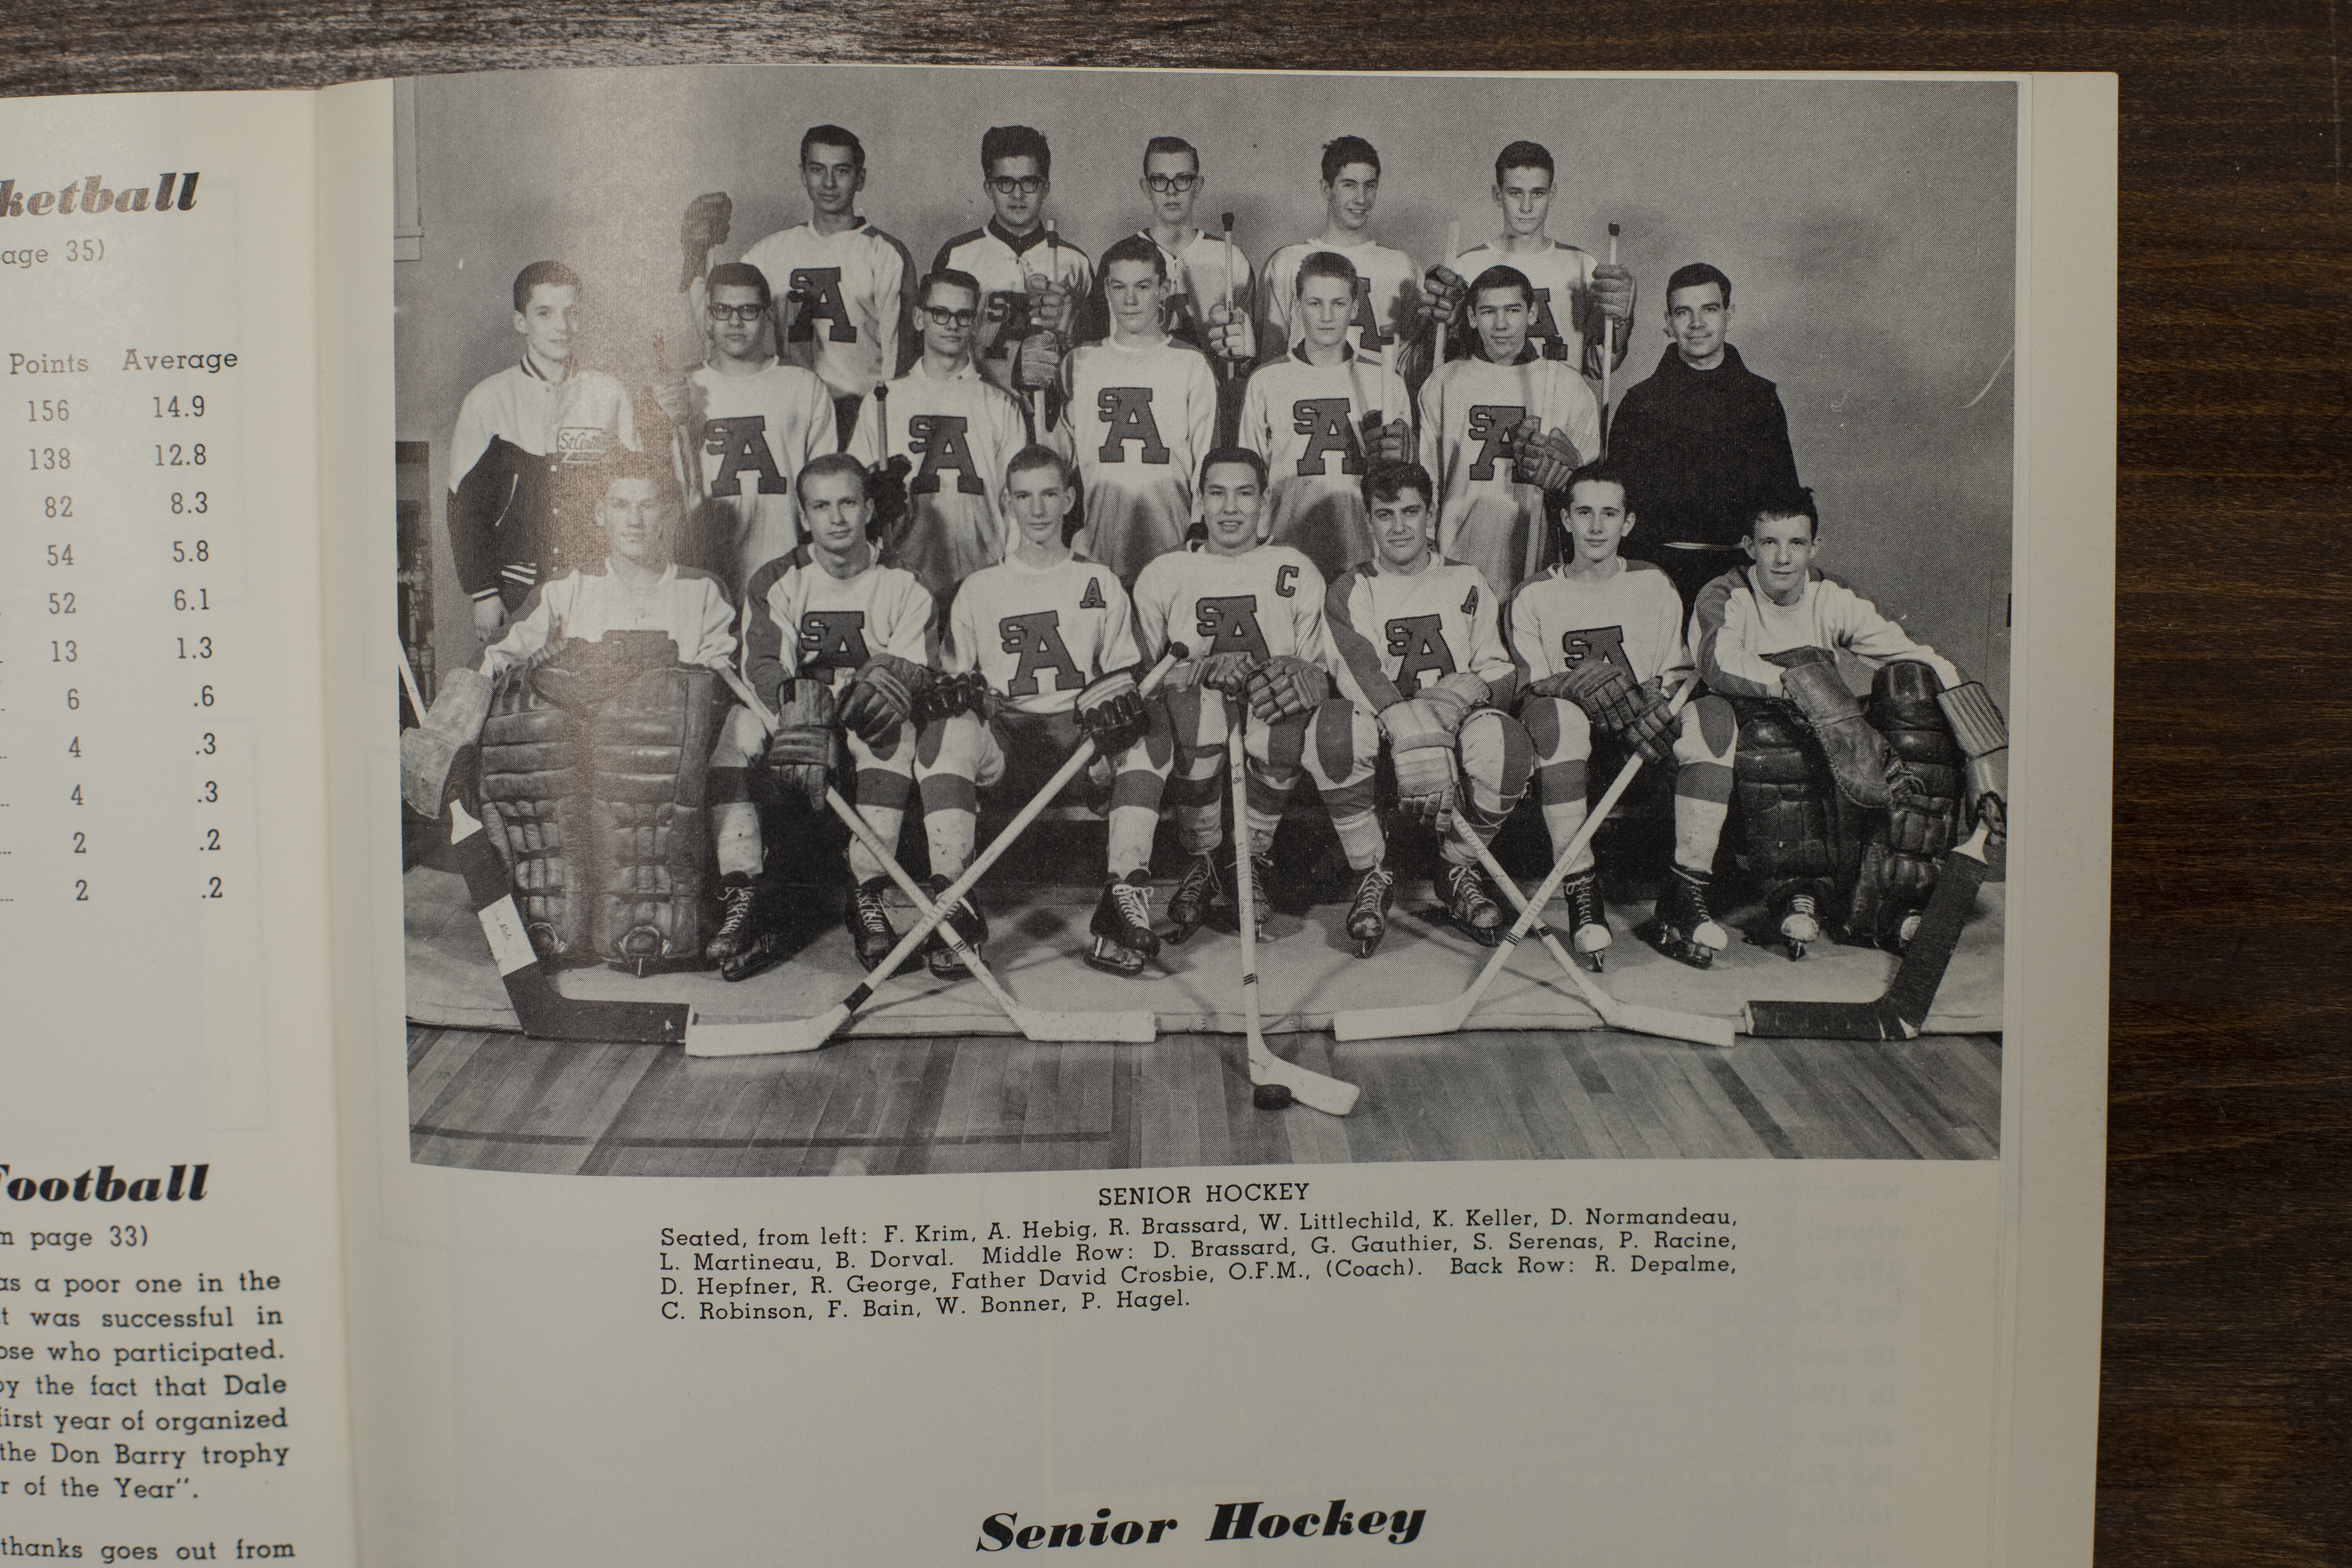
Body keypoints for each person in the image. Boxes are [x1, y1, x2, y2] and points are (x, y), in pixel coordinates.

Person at [433, 451, 736, 971]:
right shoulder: (569, 589)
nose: (635, 520)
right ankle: (557, 920)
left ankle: (651, 924)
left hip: (659, 762)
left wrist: (634, 670)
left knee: (661, 729)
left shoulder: (702, 591)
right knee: (524, 730)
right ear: (600, 513)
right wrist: (448, 726)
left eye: (648, 506)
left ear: (670, 514)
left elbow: (717, 684)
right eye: (621, 505)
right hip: (575, 770)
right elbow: (499, 656)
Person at [1692, 488, 2009, 957]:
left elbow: (1925, 660)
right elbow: (1718, 663)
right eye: (1770, 544)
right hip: (1762, 748)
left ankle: (1899, 901)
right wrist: (1807, 689)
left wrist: (1986, 759)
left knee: (1913, 687)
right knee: (1775, 728)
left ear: (1814, 547)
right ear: (1749, 546)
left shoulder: (1831, 595)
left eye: (1797, 544)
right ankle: (1801, 893)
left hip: (1836, 742)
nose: (1783, 559)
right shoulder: (1727, 594)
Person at [912, 445, 1174, 978]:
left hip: (1082, 752)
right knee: (945, 730)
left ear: (1069, 500)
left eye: (1050, 495)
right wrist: (969, 699)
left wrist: (1119, 698)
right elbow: (955, 684)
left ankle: (1122, 900)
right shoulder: (978, 589)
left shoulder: (1099, 582)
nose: (1038, 510)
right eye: (1025, 497)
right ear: (1007, 502)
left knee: (1150, 728)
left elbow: (1125, 677)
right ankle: (954, 900)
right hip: (1006, 753)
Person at [715, 454, 946, 982]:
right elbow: (764, 666)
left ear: (868, 508)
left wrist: (892, 691)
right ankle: (741, 888)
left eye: (847, 503)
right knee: (737, 730)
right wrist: (798, 711)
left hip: (867, 716)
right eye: (821, 506)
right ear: (803, 514)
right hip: (802, 719)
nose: (836, 518)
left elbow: (916, 670)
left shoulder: (906, 584)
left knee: (894, 733)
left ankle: (867, 891)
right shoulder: (777, 579)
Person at [1502, 465, 1738, 969]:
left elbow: (1678, 672)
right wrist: (1572, 684)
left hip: (1644, 740)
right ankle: (1582, 889)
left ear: (1628, 523)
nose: (1596, 527)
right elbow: (1528, 686)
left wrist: (1660, 698)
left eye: (1610, 514)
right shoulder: (1533, 596)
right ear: (1565, 519)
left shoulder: (1653, 584)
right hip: (1571, 745)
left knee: (1715, 717)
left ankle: (1686, 890)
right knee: (1554, 717)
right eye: (1584, 512)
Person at [1317, 458, 1534, 952]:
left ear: (1430, 517)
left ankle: (1457, 868)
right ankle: (1372, 875)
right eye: (1385, 514)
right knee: (1334, 732)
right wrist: (1412, 726)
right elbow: (1359, 671)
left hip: (1456, 717)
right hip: (1389, 721)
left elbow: (1500, 666)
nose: (1399, 527)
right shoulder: (1353, 587)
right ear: (1369, 520)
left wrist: (1466, 694)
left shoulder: (1467, 580)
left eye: (1410, 513)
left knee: (1507, 745)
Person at [1130, 446, 1340, 945]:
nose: (1230, 508)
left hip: (1270, 725)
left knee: (1284, 702)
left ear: (1265, 502)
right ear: (1199, 502)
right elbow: (1141, 678)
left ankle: (1250, 857)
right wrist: (1199, 669)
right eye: (1218, 494)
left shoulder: (1294, 568)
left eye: (1245, 494)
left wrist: (1301, 676)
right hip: (1196, 720)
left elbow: (1316, 669)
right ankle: (1202, 857)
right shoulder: (1165, 573)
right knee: (1191, 704)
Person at [678, 125, 918, 450]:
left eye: (842, 171)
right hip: (787, 410)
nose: (829, 183)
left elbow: (901, 358)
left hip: (862, 414)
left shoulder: (885, 253)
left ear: (860, 179)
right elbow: (712, 321)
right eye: (818, 170)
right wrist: (695, 253)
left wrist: (883, 423)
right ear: (803, 175)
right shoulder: (770, 253)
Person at [447, 260, 639, 643]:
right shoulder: (488, 399)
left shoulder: (610, 394)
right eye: (545, 313)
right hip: (516, 591)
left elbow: (634, 492)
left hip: (596, 582)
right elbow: (464, 506)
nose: (562, 326)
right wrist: (483, 592)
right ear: (522, 322)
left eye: (572, 313)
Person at [1605, 261, 1804, 615]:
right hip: (1656, 576)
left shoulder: (1760, 399)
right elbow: (1618, 507)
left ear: (1729, 315)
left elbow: (1783, 502)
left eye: (1709, 310)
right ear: (1668, 323)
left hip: (1740, 578)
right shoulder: (1641, 403)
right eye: (1684, 313)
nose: (1696, 324)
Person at [845, 268, 1031, 610]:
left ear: (975, 324)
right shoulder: (885, 400)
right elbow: (852, 495)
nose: (952, 325)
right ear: (919, 318)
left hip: (984, 580)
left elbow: (1017, 506)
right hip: (903, 582)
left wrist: (1011, 577)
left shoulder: (1000, 404)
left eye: (964, 316)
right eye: (940, 313)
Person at [649, 261, 836, 595]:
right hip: (707, 570)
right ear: (708, 318)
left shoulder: (803, 386)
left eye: (748, 310)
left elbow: (825, 492)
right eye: (723, 310)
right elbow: (662, 489)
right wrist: (658, 419)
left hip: (787, 570)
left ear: (768, 317)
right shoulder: (682, 390)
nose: (735, 322)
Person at [1415, 264, 1601, 594]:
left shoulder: (1568, 385)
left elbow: (1591, 489)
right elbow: (1428, 478)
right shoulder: (1444, 382)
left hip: (1539, 556)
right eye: (1489, 312)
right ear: (1471, 317)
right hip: (1457, 552)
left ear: (1532, 315)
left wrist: (1566, 479)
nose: (1501, 325)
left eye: (1513, 311)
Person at [1233, 250, 1414, 582]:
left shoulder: (1386, 381)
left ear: (1356, 308)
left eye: (1339, 304)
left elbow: (1408, 481)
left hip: (1364, 549)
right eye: (1315, 304)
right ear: (1298, 306)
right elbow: (1249, 476)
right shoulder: (1267, 380)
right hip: (1286, 547)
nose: (1327, 316)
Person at [1051, 234, 1220, 584]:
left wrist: (1199, 533)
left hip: (1172, 547)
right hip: (1100, 549)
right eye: (1119, 287)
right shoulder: (1081, 361)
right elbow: (1056, 459)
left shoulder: (1190, 363)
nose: (1129, 300)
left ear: (1164, 288)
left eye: (1143, 287)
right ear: (1106, 291)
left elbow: (1207, 463)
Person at [1444, 140, 1635, 382]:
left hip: (1561, 407)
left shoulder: (1582, 266)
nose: (1526, 207)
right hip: (1486, 403)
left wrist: (1623, 320)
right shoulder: (1466, 267)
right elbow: (1451, 361)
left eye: (1538, 193)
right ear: (1497, 194)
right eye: (1515, 193)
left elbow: (1601, 365)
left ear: (1552, 194)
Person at [931, 125, 1092, 406]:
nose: (1018, 195)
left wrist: (1073, 325)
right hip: (979, 406)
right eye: (1006, 183)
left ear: (1045, 187)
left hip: (1053, 410)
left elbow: (1096, 346)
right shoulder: (958, 255)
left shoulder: (1074, 262)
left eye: (1029, 183)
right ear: (988, 188)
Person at [1260, 136, 1423, 377]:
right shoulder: (1288, 262)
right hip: (1304, 397)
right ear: (1327, 189)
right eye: (1349, 185)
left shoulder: (1402, 267)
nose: (1361, 198)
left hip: (1379, 400)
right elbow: (1272, 358)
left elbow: (1413, 362)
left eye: (1370, 185)